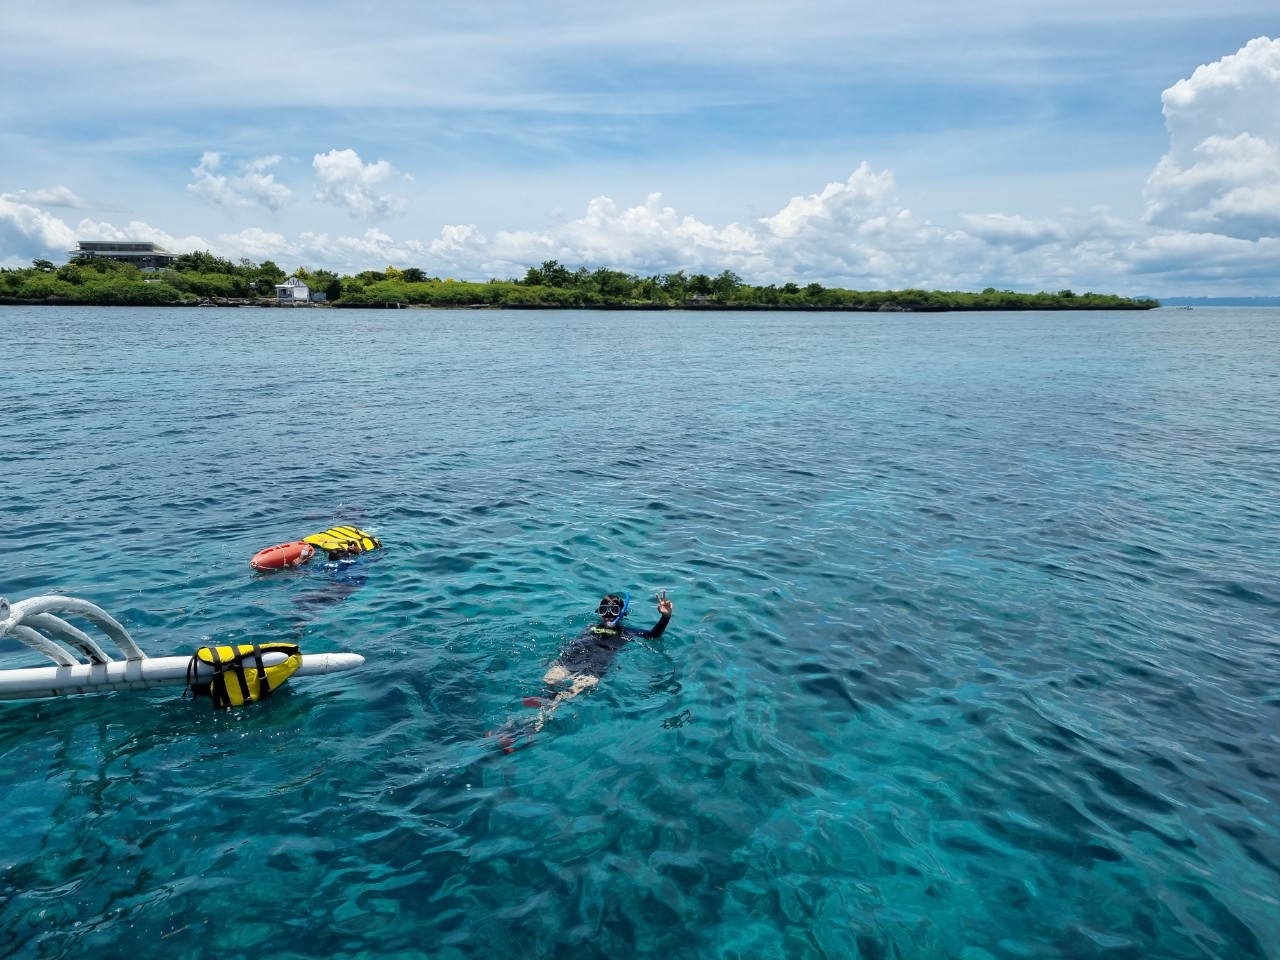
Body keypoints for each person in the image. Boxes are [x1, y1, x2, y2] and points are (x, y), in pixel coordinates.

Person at [532, 590, 674, 730]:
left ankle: (542, 718)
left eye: (613, 611)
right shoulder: (590, 627)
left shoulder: (628, 632)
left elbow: (653, 634)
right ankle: (544, 705)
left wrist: (665, 617)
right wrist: (559, 660)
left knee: (568, 693)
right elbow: (575, 644)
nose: (608, 616)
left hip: (593, 671)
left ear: (622, 614)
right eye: (604, 611)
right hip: (571, 662)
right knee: (549, 680)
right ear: (598, 612)